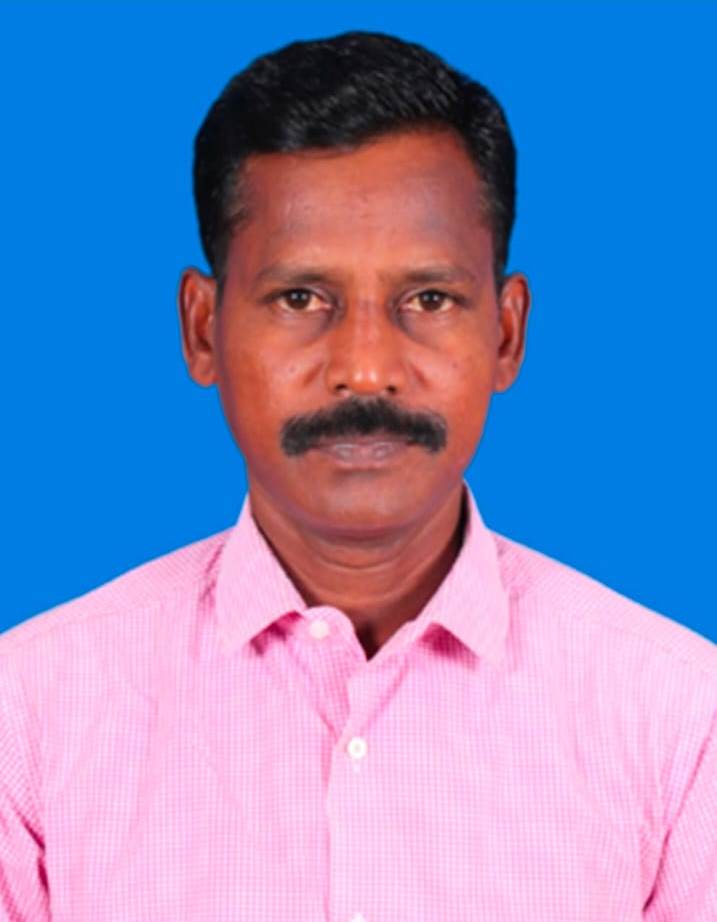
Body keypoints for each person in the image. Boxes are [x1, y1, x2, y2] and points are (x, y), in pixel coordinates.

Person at [1, 29, 715, 921]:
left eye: (428, 299)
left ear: (505, 333)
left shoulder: (680, 721)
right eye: (301, 298)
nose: (366, 370)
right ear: (201, 328)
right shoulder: (28, 716)